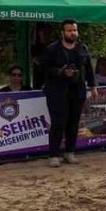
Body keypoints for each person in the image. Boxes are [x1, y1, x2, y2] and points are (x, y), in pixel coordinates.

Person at [40, 19, 97, 168]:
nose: (73, 33)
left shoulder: (82, 48)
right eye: (69, 30)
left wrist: (93, 86)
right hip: (57, 91)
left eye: (75, 30)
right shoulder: (52, 49)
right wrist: (61, 72)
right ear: (62, 33)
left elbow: (89, 69)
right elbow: (44, 70)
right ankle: (53, 155)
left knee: (73, 123)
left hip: (77, 90)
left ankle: (69, 152)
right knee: (58, 123)